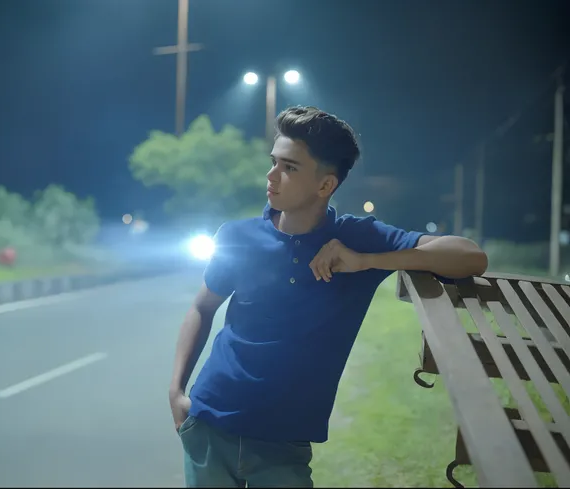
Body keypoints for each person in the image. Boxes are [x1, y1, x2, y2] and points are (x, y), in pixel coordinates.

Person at [168, 105, 488, 488]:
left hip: (284, 444)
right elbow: (202, 308)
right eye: (273, 162)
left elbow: (471, 256)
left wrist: (367, 260)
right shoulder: (238, 236)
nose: (271, 176)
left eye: (289, 167)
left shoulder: (358, 238)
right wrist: (176, 390)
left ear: (325, 185)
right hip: (209, 426)